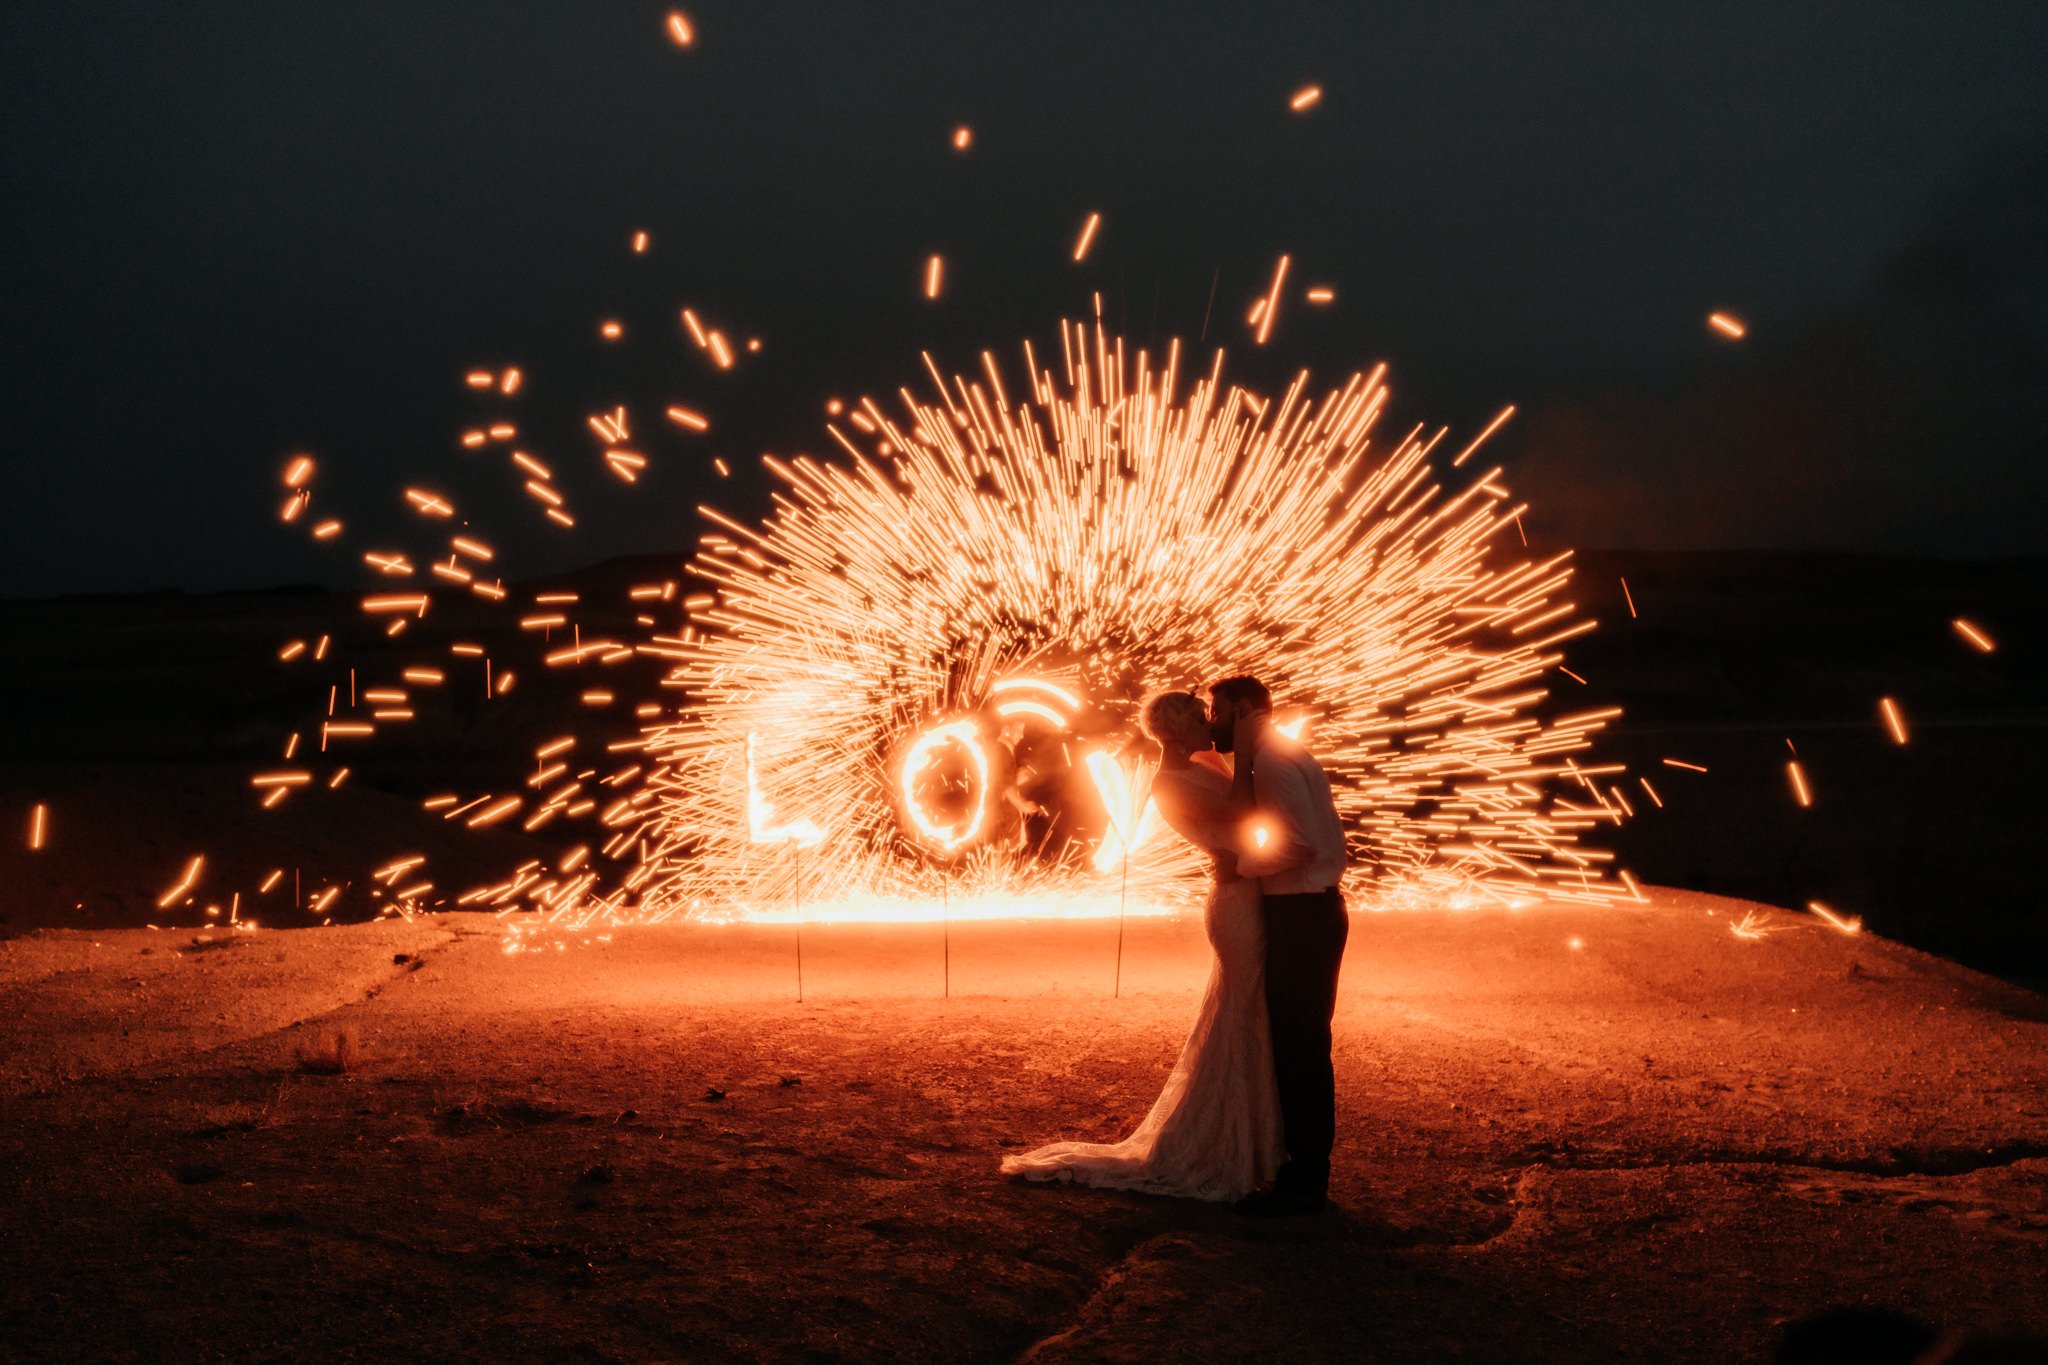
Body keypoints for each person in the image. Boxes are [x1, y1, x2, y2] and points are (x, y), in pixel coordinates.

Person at [999, 691, 1286, 1201]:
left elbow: (1254, 800)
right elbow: (1243, 807)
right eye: (1202, 718)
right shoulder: (1168, 783)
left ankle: (1257, 1140)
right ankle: (1228, 1145)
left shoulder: (1204, 762)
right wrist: (1244, 752)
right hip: (1236, 907)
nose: (1212, 723)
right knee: (1241, 1015)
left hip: (1250, 893)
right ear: (1175, 733)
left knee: (1248, 1014)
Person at [1207, 674, 1349, 1216]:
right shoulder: (1282, 749)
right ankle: (1304, 1168)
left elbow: (1296, 842)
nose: (1213, 723)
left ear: (1243, 708)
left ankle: (1307, 1178)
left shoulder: (1268, 760)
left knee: (1300, 1044)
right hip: (1310, 907)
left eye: (1219, 712)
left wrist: (1240, 864)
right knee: (1300, 1040)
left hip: (1302, 912)